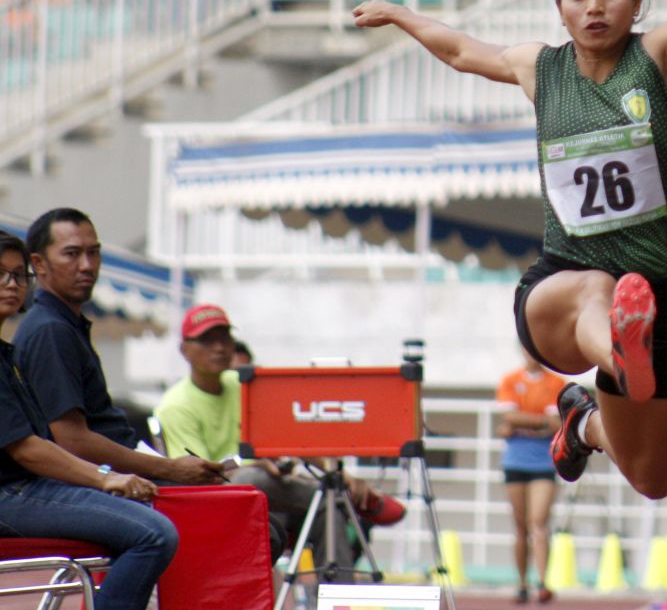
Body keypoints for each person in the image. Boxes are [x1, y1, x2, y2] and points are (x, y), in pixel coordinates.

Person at [353, 0, 667, 499]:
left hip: (655, 294)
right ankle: (622, 356)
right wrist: (399, 13)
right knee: (599, 285)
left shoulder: (662, 58)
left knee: (653, 477)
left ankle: (583, 423)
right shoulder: (541, 68)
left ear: (637, 1)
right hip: (560, 289)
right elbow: (461, 50)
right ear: (560, 7)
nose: (595, 6)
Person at [154, 304, 405, 578]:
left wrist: (335, 473)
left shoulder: (243, 384)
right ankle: (351, 497)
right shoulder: (175, 405)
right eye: (207, 340)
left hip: (265, 491)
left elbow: (289, 438)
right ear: (184, 350)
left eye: (225, 338)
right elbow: (199, 478)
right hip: (218, 499)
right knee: (252, 476)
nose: (219, 348)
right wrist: (261, 463)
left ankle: (337, 595)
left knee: (326, 503)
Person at [0, 231, 179, 610]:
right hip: (11, 495)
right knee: (154, 533)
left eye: (18, 275)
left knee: (144, 517)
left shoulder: (8, 353)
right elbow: (28, 449)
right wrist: (104, 477)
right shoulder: (48, 329)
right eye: (1, 274)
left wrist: (104, 479)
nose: (11, 285)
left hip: (26, 488)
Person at [13, 208, 225, 486]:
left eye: (94, 253)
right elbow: (72, 440)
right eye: (72, 254)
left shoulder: (62, 324)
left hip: (116, 474)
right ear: (39, 264)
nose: (87, 265)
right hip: (91, 483)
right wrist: (169, 468)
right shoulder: (50, 330)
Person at [496, 350, 567, 604]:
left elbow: (556, 422)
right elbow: (509, 416)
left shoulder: (555, 383)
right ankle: (522, 582)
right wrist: (538, 424)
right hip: (515, 461)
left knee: (538, 521)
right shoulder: (510, 380)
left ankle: (542, 582)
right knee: (520, 525)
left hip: (544, 462)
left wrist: (518, 425)